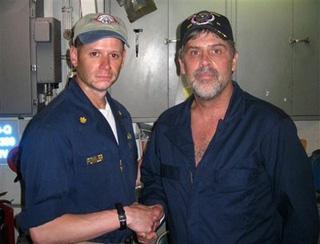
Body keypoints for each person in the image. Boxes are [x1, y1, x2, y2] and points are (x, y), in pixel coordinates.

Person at [140, 10, 319, 244]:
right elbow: (155, 180)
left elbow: (301, 220)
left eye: (216, 50)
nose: (205, 62)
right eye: (194, 52)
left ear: (233, 60)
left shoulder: (271, 127)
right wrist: (156, 209)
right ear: (181, 64)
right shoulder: (166, 126)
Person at [18, 13, 163, 243]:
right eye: (94, 53)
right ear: (74, 56)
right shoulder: (50, 129)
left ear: (123, 59)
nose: (106, 65)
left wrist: (142, 220)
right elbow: (43, 231)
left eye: (113, 55)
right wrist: (126, 217)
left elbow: (113, 183)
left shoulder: (121, 115)